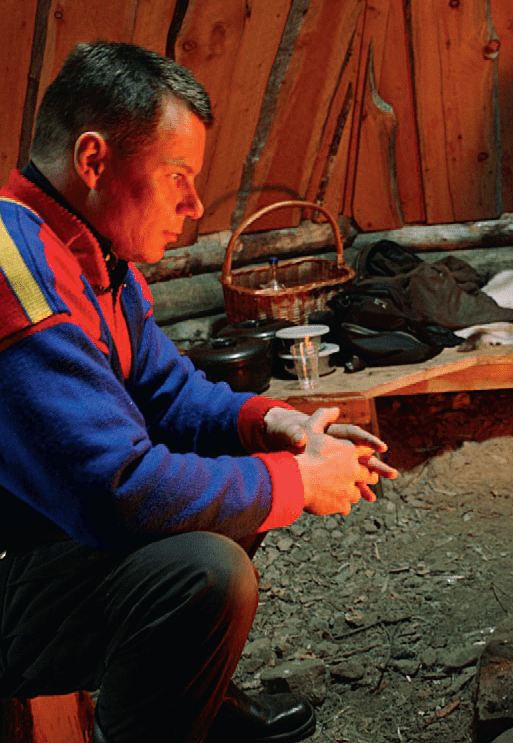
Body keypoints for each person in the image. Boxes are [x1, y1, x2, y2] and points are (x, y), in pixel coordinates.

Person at [0, 42, 397, 743]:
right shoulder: (19, 280)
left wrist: (277, 425)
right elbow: (118, 489)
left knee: (238, 481)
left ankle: (192, 697)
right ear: (93, 161)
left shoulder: (92, 254)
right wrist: (299, 480)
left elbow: (171, 395)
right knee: (204, 570)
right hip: (11, 569)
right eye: (177, 175)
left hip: (47, 532)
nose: (193, 204)